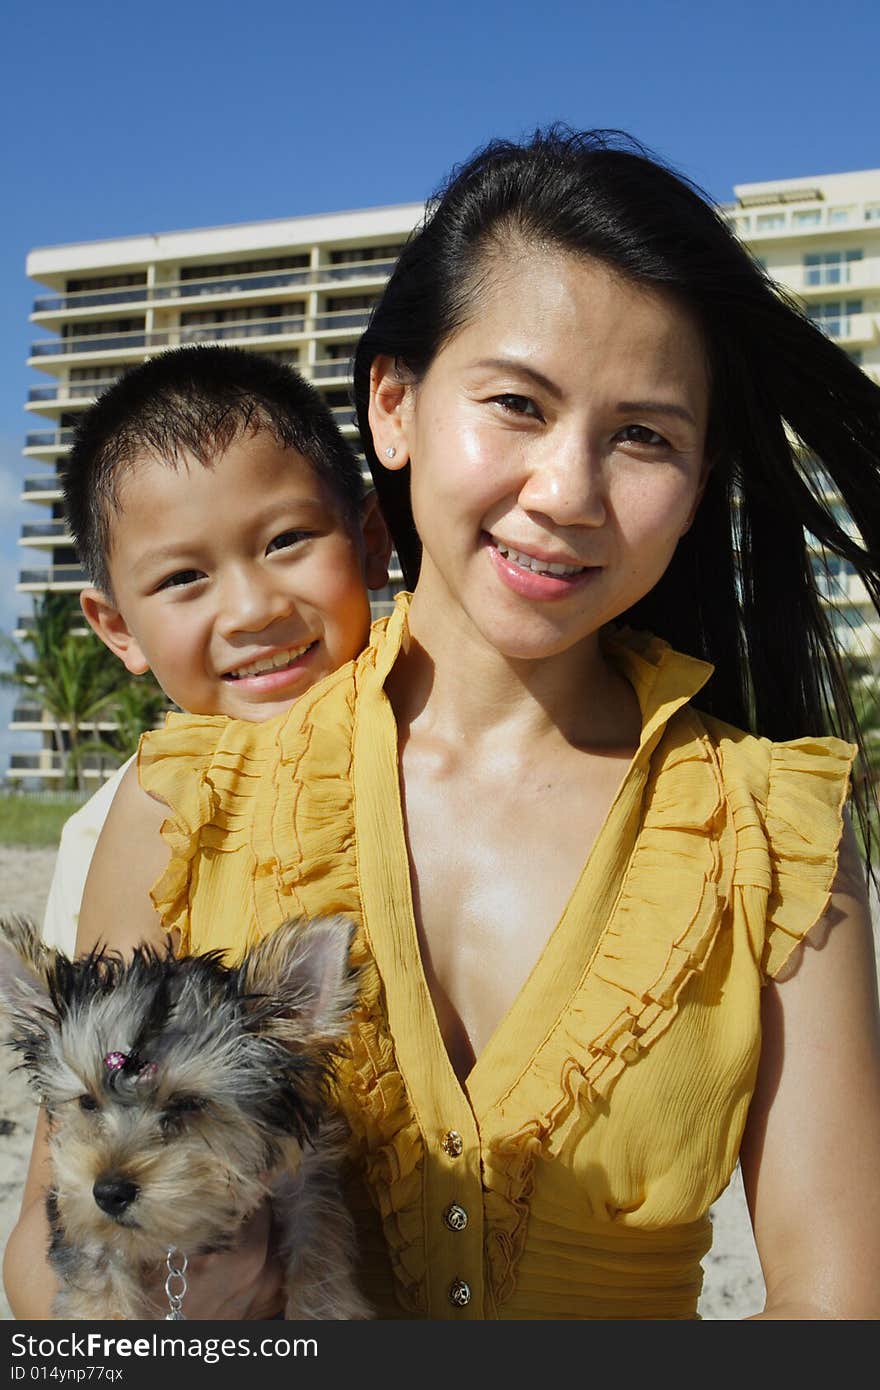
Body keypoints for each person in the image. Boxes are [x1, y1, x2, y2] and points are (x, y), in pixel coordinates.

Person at [8, 127, 880, 1321]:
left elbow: (837, 1302)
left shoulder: (774, 835)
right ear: (395, 406)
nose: (565, 492)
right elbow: (47, 1254)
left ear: (695, 476)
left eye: (642, 435)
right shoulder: (186, 800)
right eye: (516, 404)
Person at [38, 343, 391, 957]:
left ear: (370, 542)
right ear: (119, 628)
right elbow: (115, 1042)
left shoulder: (447, 717)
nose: (254, 609)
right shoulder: (128, 828)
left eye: (287, 540)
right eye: (182, 578)